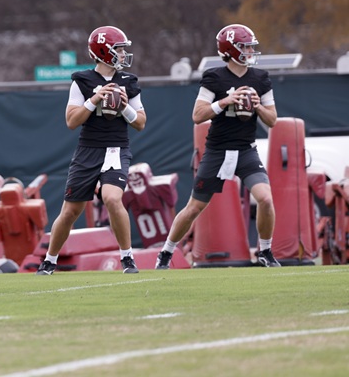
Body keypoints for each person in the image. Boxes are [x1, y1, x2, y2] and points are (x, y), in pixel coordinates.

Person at [156, 24, 280, 269]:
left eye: (250, 46)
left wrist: (257, 106)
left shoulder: (260, 78)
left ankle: (265, 251)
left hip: (246, 149)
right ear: (230, 49)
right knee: (194, 208)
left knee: (265, 199)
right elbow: (197, 115)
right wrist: (225, 101)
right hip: (217, 150)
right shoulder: (214, 77)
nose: (250, 51)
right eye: (244, 46)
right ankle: (166, 252)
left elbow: (272, 119)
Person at [36, 26, 147, 276]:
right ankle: (50, 260)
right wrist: (95, 99)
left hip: (117, 148)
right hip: (88, 150)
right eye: (118, 49)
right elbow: (71, 121)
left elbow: (140, 123)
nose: (122, 54)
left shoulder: (128, 81)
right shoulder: (83, 81)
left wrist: (123, 106)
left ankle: (127, 258)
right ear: (103, 52)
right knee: (70, 211)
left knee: (112, 198)